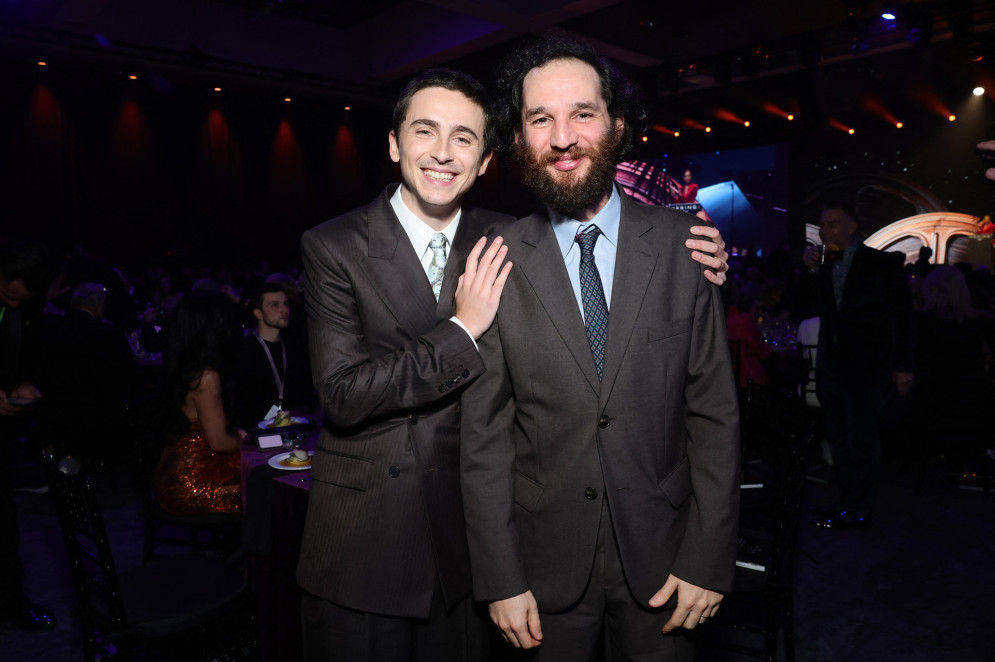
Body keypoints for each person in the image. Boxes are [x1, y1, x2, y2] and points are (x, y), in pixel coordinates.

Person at [459, 37, 740, 661]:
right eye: (541, 119)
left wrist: (708, 555)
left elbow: (713, 417)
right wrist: (500, 577)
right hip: (541, 565)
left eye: (582, 114)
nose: (563, 137)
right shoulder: (494, 259)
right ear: (520, 138)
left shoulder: (684, 245)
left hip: (667, 559)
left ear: (616, 124)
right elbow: (485, 437)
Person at [295, 68, 515, 662]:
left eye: (464, 138)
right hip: (370, 539)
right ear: (395, 145)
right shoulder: (336, 245)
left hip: (470, 539)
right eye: (425, 131)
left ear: (486, 160)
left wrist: (690, 246)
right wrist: (463, 329)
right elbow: (342, 394)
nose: (443, 153)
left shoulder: (511, 240)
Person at [801, 201, 915, 529]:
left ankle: (859, 507)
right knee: (838, 437)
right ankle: (844, 500)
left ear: (852, 227)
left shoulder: (880, 263)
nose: (825, 231)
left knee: (861, 438)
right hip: (832, 365)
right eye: (822, 225)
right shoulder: (821, 264)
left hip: (867, 365)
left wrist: (904, 365)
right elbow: (798, 305)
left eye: (833, 224)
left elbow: (904, 317)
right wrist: (807, 271)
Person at [0, 240, 56, 630]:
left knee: (4, 527)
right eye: (8, 295)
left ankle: (12, 601)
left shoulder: (19, 311)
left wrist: (20, 385)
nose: (15, 305)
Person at [153, 292, 244, 517]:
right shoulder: (205, 376)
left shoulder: (181, 366)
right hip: (195, 484)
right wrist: (249, 441)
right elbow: (219, 442)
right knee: (265, 485)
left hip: (173, 473)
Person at [36, 282, 139, 461]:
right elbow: (127, 374)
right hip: (101, 417)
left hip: (56, 414)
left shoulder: (50, 328)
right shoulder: (107, 332)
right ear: (100, 303)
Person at [232, 283, 314, 429]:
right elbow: (238, 401)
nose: (284, 310)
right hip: (257, 432)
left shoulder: (295, 345)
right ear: (258, 313)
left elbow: (306, 391)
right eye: (275, 305)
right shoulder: (243, 350)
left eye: (285, 304)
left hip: (296, 426)